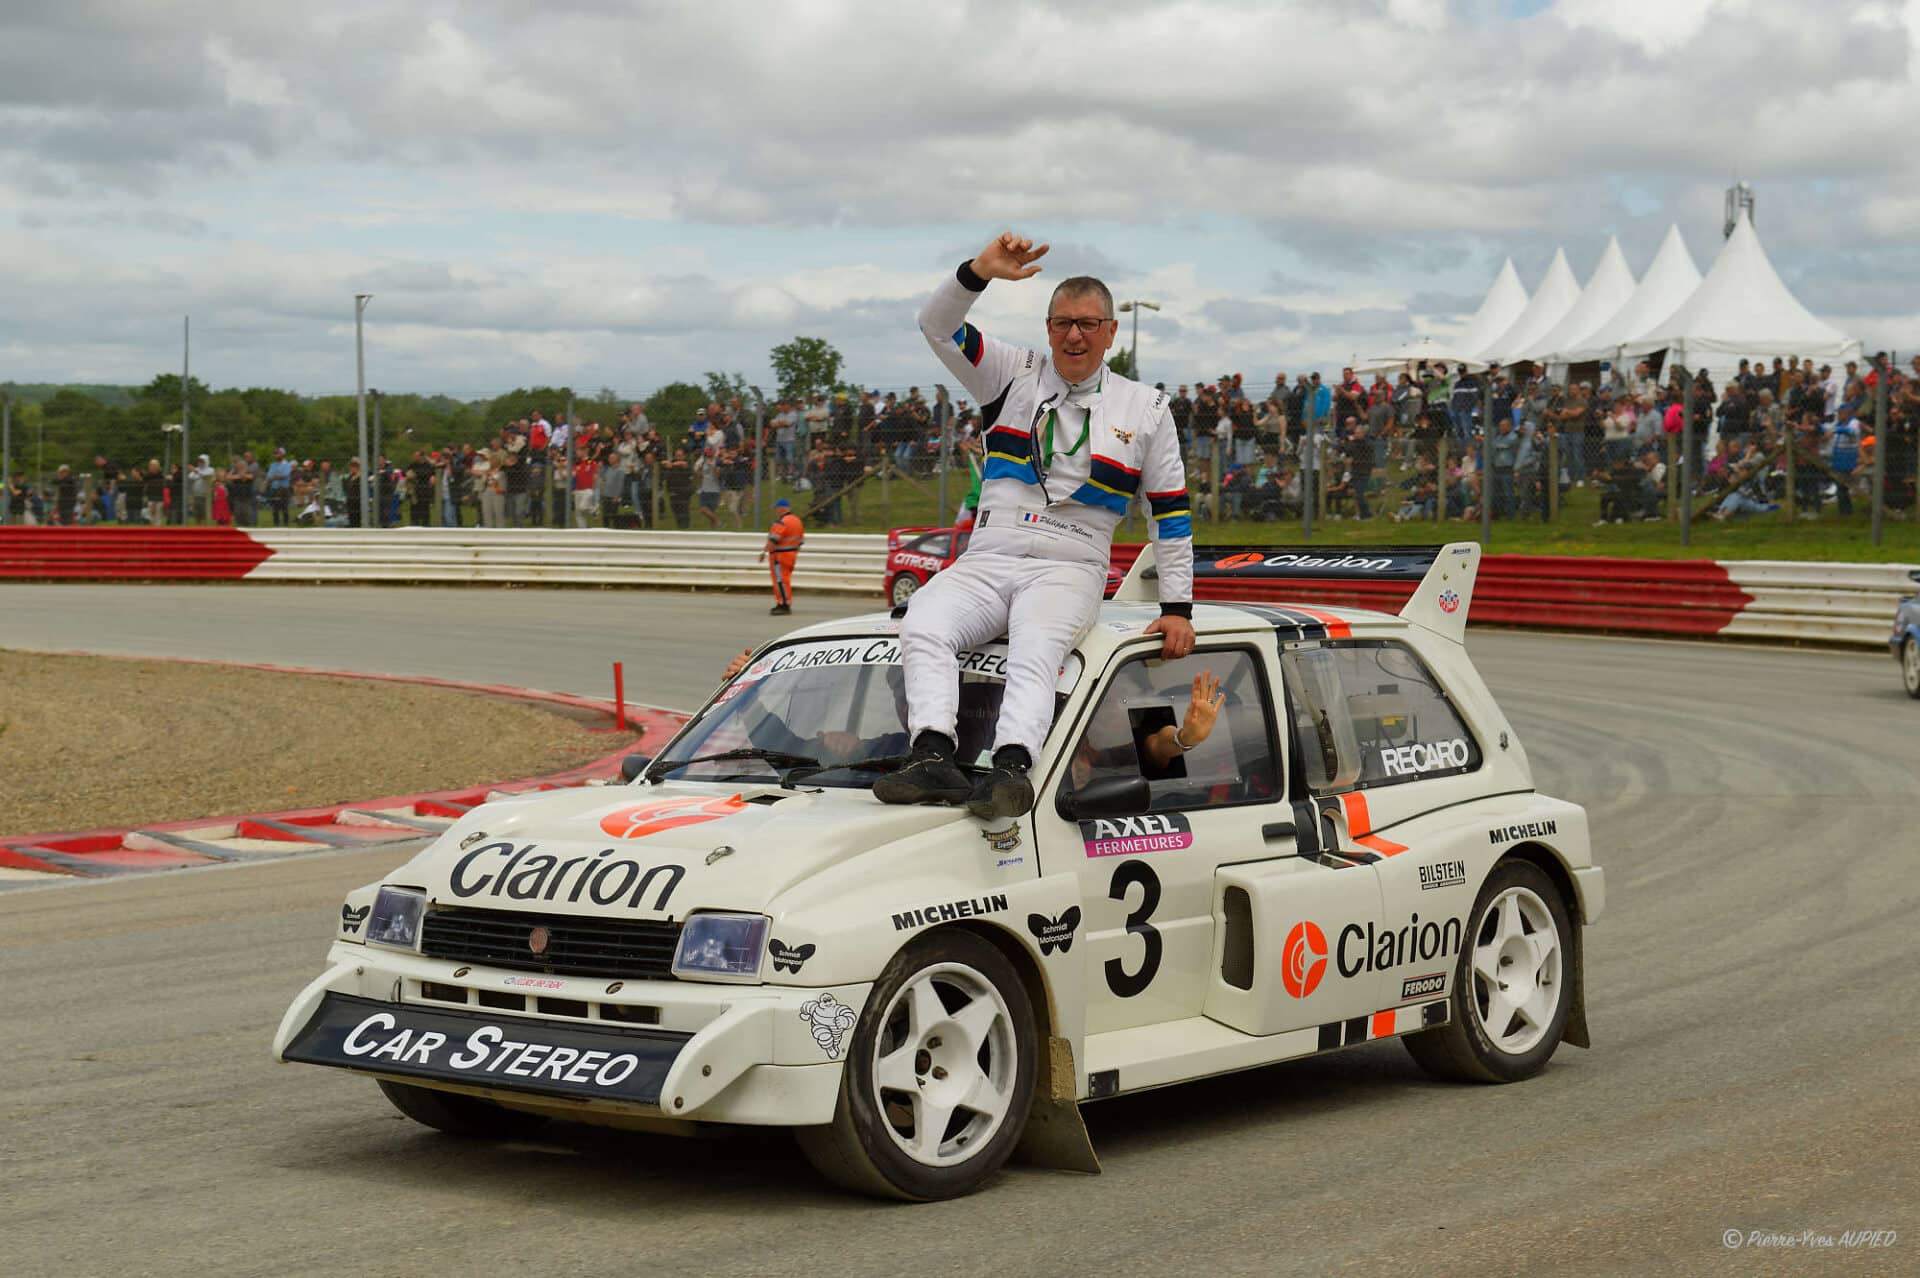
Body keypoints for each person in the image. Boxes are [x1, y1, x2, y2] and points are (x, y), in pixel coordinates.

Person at [876, 231, 1195, 821]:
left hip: (1070, 564)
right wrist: (978, 272)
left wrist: (1178, 606)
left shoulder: (1146, 407)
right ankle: (932, 756)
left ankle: (1012, 768)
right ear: (1048, 328)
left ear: (1111, 332)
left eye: (1088, 324)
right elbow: (936, 325)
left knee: (1035, 645)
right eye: (1062, 323)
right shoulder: (1008, 371)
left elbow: (1170, 512)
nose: (1074, 335)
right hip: (988, 555)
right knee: (923, 623)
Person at [760, 497, 804, 615]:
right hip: (791, 555)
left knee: (780, 581)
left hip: (779, 556)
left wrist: (764, 552)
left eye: (776, 508)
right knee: (785, 580)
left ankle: (783, 604)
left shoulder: (781, 521)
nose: (775, 511)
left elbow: (773, 539)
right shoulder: (797, 521)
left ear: (781, 508)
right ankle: (784, 602)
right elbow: (800, 541)